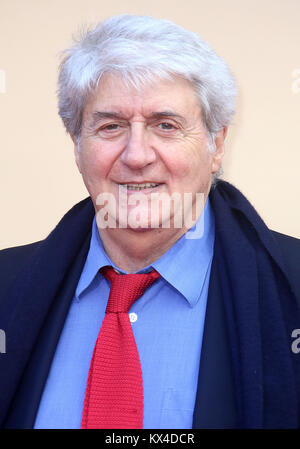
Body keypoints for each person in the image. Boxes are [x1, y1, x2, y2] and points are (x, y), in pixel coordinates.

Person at [0, 14, 299, 430]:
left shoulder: (293, 285)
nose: (137, 155)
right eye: (110, 126)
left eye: (166, 125)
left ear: (217, 145)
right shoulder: (6, 286)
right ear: (77, 145)